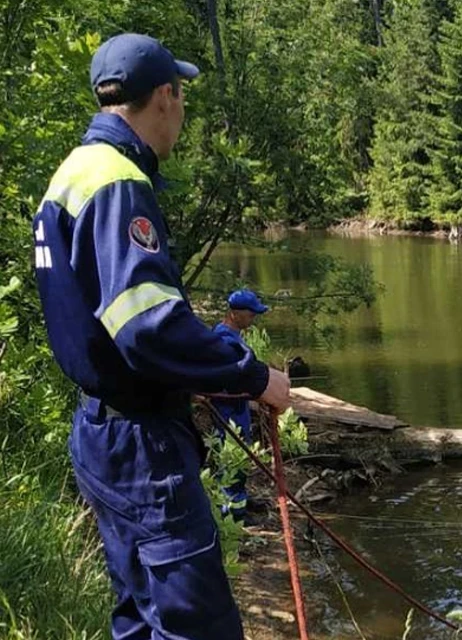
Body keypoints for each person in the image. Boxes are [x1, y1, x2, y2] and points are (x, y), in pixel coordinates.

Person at [32, 33, 290, 639]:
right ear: (166, 97)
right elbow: (147, 329)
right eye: (182, 97)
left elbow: (113, 318)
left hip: (102, 431)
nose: (182, 114)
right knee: (195, 625)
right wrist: (251, 375)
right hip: (141, 447)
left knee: (140, 617)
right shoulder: (119, 183)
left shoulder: (73, 171)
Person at [211, 289, 271, 521]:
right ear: (234, 314)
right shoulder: (223, 339)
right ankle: (233, 514)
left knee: (239, 457)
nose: (253, 318)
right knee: (232, 457)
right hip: (228, 409)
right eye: (250, 314)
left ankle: (237, 505)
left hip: (238, 407)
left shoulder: (234, 336)